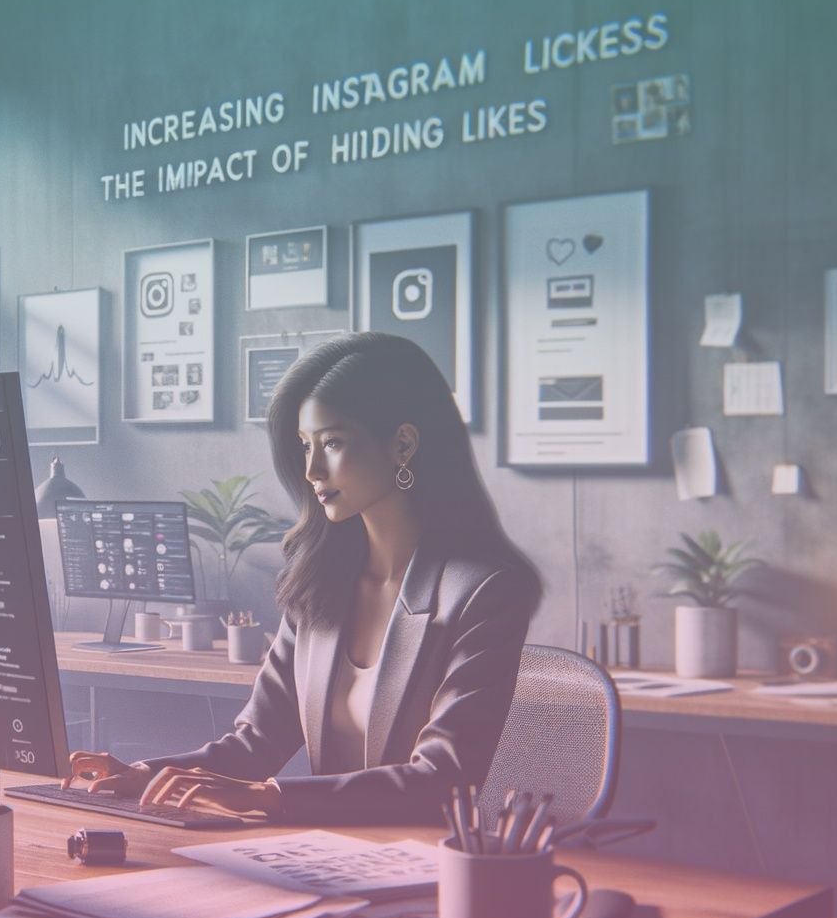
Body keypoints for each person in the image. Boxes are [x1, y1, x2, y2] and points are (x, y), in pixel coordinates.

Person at [62, 332, 540, 824]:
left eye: (332, 442)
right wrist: (147, 773)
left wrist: (275, 798)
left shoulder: (484, 592)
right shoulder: (319, 583)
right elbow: (256, 745)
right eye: (305, 445)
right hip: (319, 857)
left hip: (421, 869)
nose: (311, 468)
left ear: (402, 444)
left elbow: (442, 780)